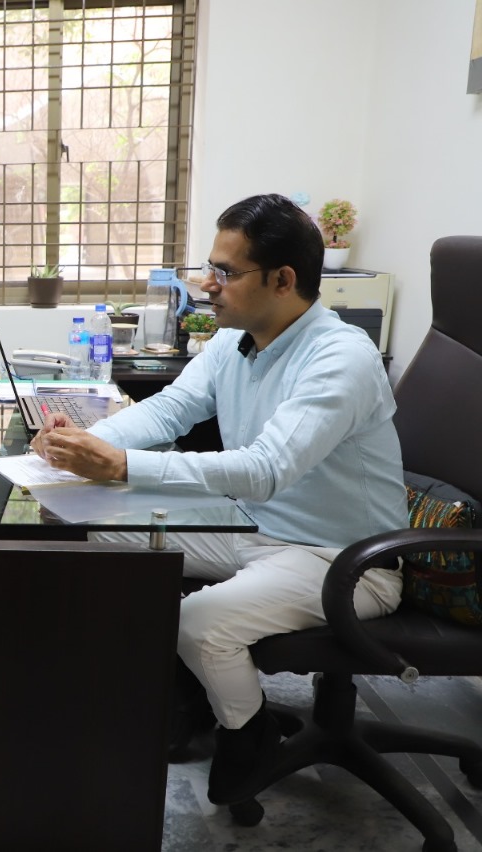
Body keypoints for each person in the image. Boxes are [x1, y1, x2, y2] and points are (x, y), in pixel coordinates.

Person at [30, 193, 406, 804]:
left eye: (226, 272)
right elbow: (170, 409)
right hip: (251, 526)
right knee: (85, 524)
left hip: (341, 559)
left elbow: (265, 469)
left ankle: (248, 732)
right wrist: (87, 442)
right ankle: (174, 690)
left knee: (199, 623)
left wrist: (120, 464)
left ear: (283, 280)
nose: (207, 285)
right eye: (210, 267)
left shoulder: (341, 359)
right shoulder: (235, 342)